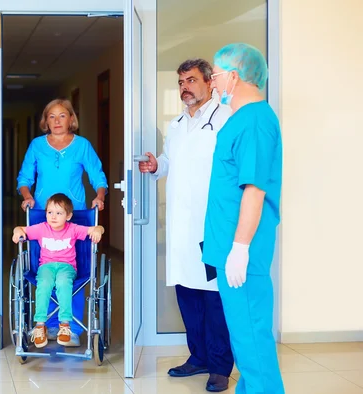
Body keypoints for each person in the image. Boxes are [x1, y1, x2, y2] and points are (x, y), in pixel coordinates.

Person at [139, 59, 234, 392]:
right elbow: (171, 162)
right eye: (180, 82)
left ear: (209, 82)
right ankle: (199, 357)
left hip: (211, 224)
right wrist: (156, 166)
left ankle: (220, 366)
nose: (185, 88)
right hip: (181, 225)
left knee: (214, 296)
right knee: (187, 293)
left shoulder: (224, 119)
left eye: (191, 80)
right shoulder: (177, 124)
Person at [203, 43, 285, 394]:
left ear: (234, 76)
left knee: (252, 342)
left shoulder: (253, 121)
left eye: (216, 76)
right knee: (245, 339)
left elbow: (254, 189)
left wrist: (240, 247)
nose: (213, 84)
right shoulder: (243, 120)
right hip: (230, 248)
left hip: (242, 253)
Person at [17, 98, 108, 346]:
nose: (57, 121)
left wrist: (100, 196)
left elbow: (98, 175)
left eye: (62, 116)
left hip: (75, 214)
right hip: (42, 215)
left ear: (71, 119)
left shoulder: (82, 146)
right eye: (51, 116)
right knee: (45, 268)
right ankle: (46, 324)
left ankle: (72, 327)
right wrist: (27, 196)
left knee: (73, 268)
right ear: (45, 121)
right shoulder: (37, 146)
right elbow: (25, 177)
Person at [12, 193, 105, 348]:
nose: (53, 217)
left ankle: (65, 325)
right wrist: (17, 231)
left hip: (66, 267)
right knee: (43, 284)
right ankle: (40, 325)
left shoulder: (73, 229)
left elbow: (96, 228)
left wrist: (98, 230)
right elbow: (21, 228)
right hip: (46, 267)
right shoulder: (42, 228)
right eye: (50, 212)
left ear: (68, 216)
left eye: (59, 213)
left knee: (63, 283)